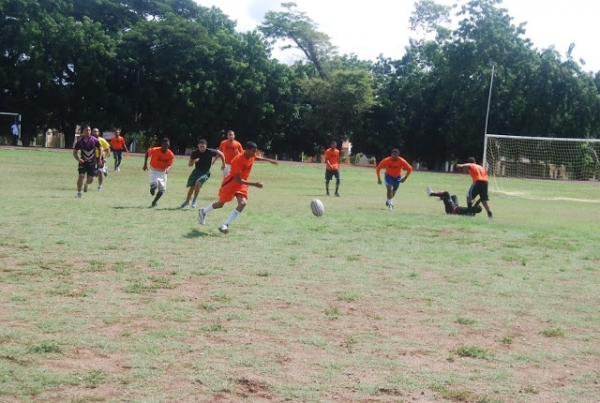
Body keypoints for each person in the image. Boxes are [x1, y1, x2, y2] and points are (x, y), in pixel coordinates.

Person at [197, 141, 278, 234]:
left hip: (242, 184)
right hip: (230, 183)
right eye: (252, 151)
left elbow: (256, 158)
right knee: (220, 204)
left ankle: (225, 225)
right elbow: (238, 180)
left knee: (243, 203)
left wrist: (270, 160)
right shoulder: (237, 160)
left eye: (255, 151)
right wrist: (255, 184)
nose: (254, 153)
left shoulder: (251, 155)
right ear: (246, 150)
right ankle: (203, 211)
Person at [180, 139, 225, 209]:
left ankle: (194, 200)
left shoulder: (209, 151)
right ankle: (187, 201)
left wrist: (223, 164)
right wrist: (194, 161)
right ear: (198, 146)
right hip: (196, 171)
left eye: (203, 146)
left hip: (205, 172)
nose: (201, 148)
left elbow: (221, 153)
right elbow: (189, 164)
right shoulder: (195, 153)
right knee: (191, 188)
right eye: (200, 146)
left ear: (206, 146)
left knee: (198, 182)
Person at [143, 138, 175, 208]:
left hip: (163, 172)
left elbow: (170, 164)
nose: (166, 146)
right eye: (165, 144)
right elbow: (147, 153)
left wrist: (167, 169)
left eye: (167, 145)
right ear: (162, 145)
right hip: (154, 170)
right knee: (154, 185)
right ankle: (152, 188)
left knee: (162, 190)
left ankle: (154, 202)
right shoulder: (155, 150)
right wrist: (145, 164)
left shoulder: (170, 154)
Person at [72, 125, 101, 198]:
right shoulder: (79, 142)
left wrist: (99, 159)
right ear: (83, 132)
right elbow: (75, 152)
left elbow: (100, 149)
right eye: (86, 130)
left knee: (90, 179)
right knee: (81, 176)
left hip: (92, 162)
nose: (88, 132)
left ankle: (86, 184)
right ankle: (79, 192)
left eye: (89, 130)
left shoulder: (95, 140)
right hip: (83, 162)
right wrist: (78, 159)